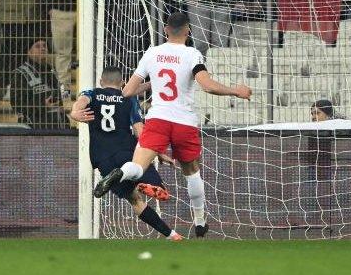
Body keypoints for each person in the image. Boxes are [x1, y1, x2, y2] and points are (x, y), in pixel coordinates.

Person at [95, 12, 252, 237]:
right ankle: (199, 223)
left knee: (138, 167)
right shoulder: (192, 54)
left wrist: (154, 82)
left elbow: (127, 91)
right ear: (188, 31)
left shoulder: (152, 53)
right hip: (184, 122)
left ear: (165, 30)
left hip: (158, 119)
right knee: (191, 171)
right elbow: (206, 85)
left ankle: (119, 173)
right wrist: (236, 90)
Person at [70, 66, 183, 240]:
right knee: (158, 188)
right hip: (127, 153)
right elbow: (139, 130)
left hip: (102, 158)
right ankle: (145, 183)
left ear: (101, 82)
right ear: (123, 83)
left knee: (135, 200)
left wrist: (75, 112)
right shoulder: (128, 99)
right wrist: (158, 152)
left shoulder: (92, 93)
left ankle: (171, 235)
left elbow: (82, 100)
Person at [10, 38, 66, 129]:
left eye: (44, 46)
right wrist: (42, 105)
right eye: (37, 46)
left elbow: (60, 97)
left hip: (57, 125)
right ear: (29, 52)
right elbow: (16, 104)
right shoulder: (21, 73)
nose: (43, 48)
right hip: (34, 127)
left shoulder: (51, 70)